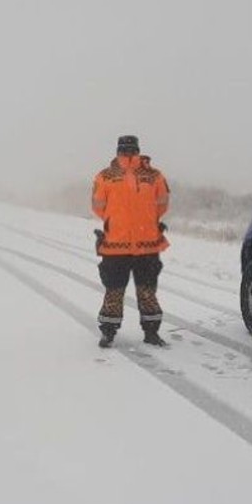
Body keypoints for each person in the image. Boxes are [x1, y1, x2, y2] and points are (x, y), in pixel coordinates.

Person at [91, 135, 171, 348]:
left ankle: (152, 332)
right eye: (123, 149)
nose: (127, 153)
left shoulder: (154, 176)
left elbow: (162, 205)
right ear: (117, 150)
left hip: (147, 245)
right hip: (115, 246)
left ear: (137, 149)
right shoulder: (104, 177)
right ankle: (108, 332)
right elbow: (98, 207)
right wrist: (117, 225)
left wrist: (146, 223)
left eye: (130, 149)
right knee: (114, 291)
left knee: (147, 291)